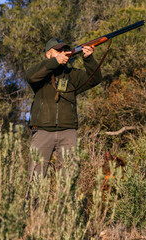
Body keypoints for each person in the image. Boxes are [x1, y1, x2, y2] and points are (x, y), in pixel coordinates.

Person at [25, 38, 102, 178]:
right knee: (35, 179)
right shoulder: (41, 73)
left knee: (68, 181)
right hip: (42, 131)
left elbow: (95, 79)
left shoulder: (73, 74)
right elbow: (30, 76)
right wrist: (55, 62)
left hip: (68, 132)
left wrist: (89, 58)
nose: (63, 53)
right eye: (58, 51)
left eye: (64, 50)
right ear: (49, 54)